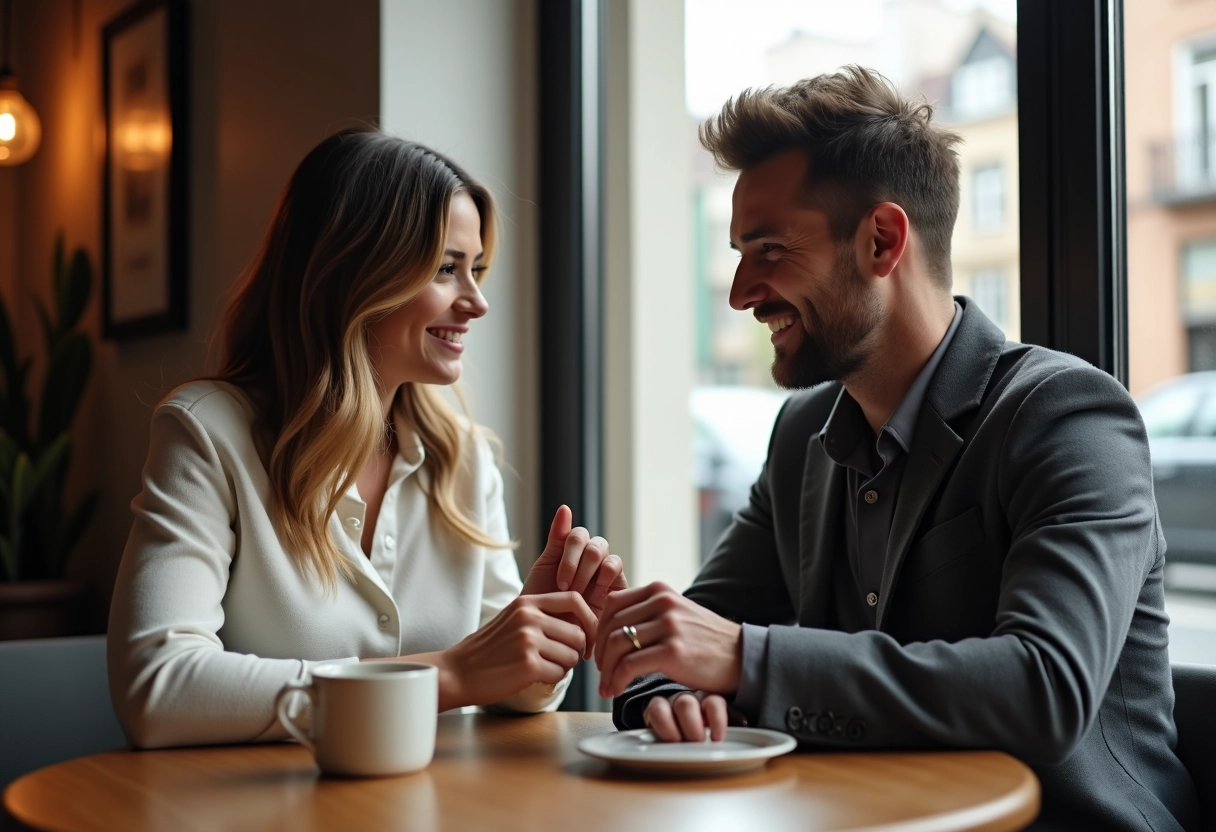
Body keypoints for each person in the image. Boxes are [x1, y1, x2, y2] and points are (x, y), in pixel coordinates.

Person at [595, 67, 1199, 831]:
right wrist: (672, 694)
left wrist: (746, 661)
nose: (742, 292)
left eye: (770, 250)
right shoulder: (801, 435)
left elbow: (1045, 688)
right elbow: (694, 634)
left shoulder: (1067, 417)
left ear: (882, 240)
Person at [108, 131, 624, 749]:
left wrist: (537, 631)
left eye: (477, 269)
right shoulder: (207, 433)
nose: (477, 302)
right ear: (355, 271)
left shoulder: (465, 459)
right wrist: (448, 674)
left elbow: (508, 690)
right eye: (446, 269)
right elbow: (157, 687)